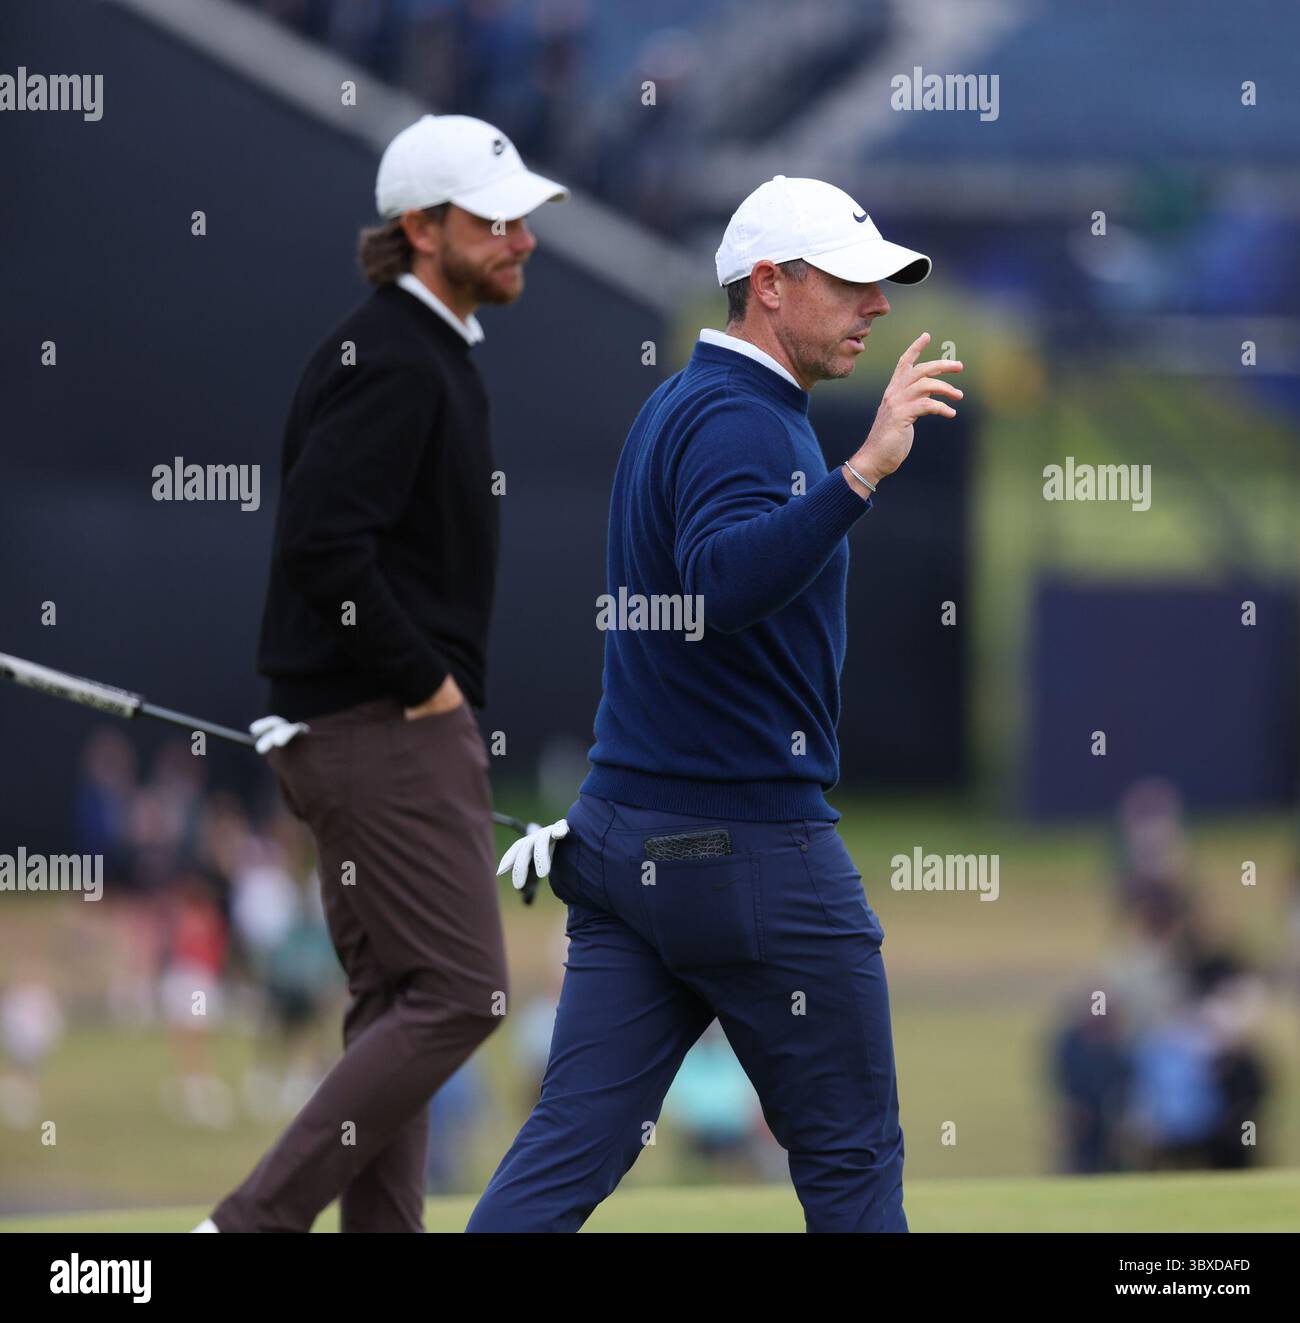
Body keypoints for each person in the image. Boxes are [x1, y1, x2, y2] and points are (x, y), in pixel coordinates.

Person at [469, 175, 963, 1233]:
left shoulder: (685, 403)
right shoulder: (744, 420)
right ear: (770, 285)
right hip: (745, 852)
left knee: (568, 1150)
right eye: (850, 284)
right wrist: (862, 473)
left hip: (627, 843)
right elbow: (718, 585)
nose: (878, 306)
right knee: (853, 1158)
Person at [196, 115, 567, 1232]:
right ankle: (246, 1226)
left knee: (401, 1006)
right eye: (495, 222)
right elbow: (323, 546)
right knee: (462, 992)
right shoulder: (399, 357)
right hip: (383, 729)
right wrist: (428, 687)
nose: (522, 240)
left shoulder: (414, 350)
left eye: (524, 220)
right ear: (421, 228)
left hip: (358, 727)